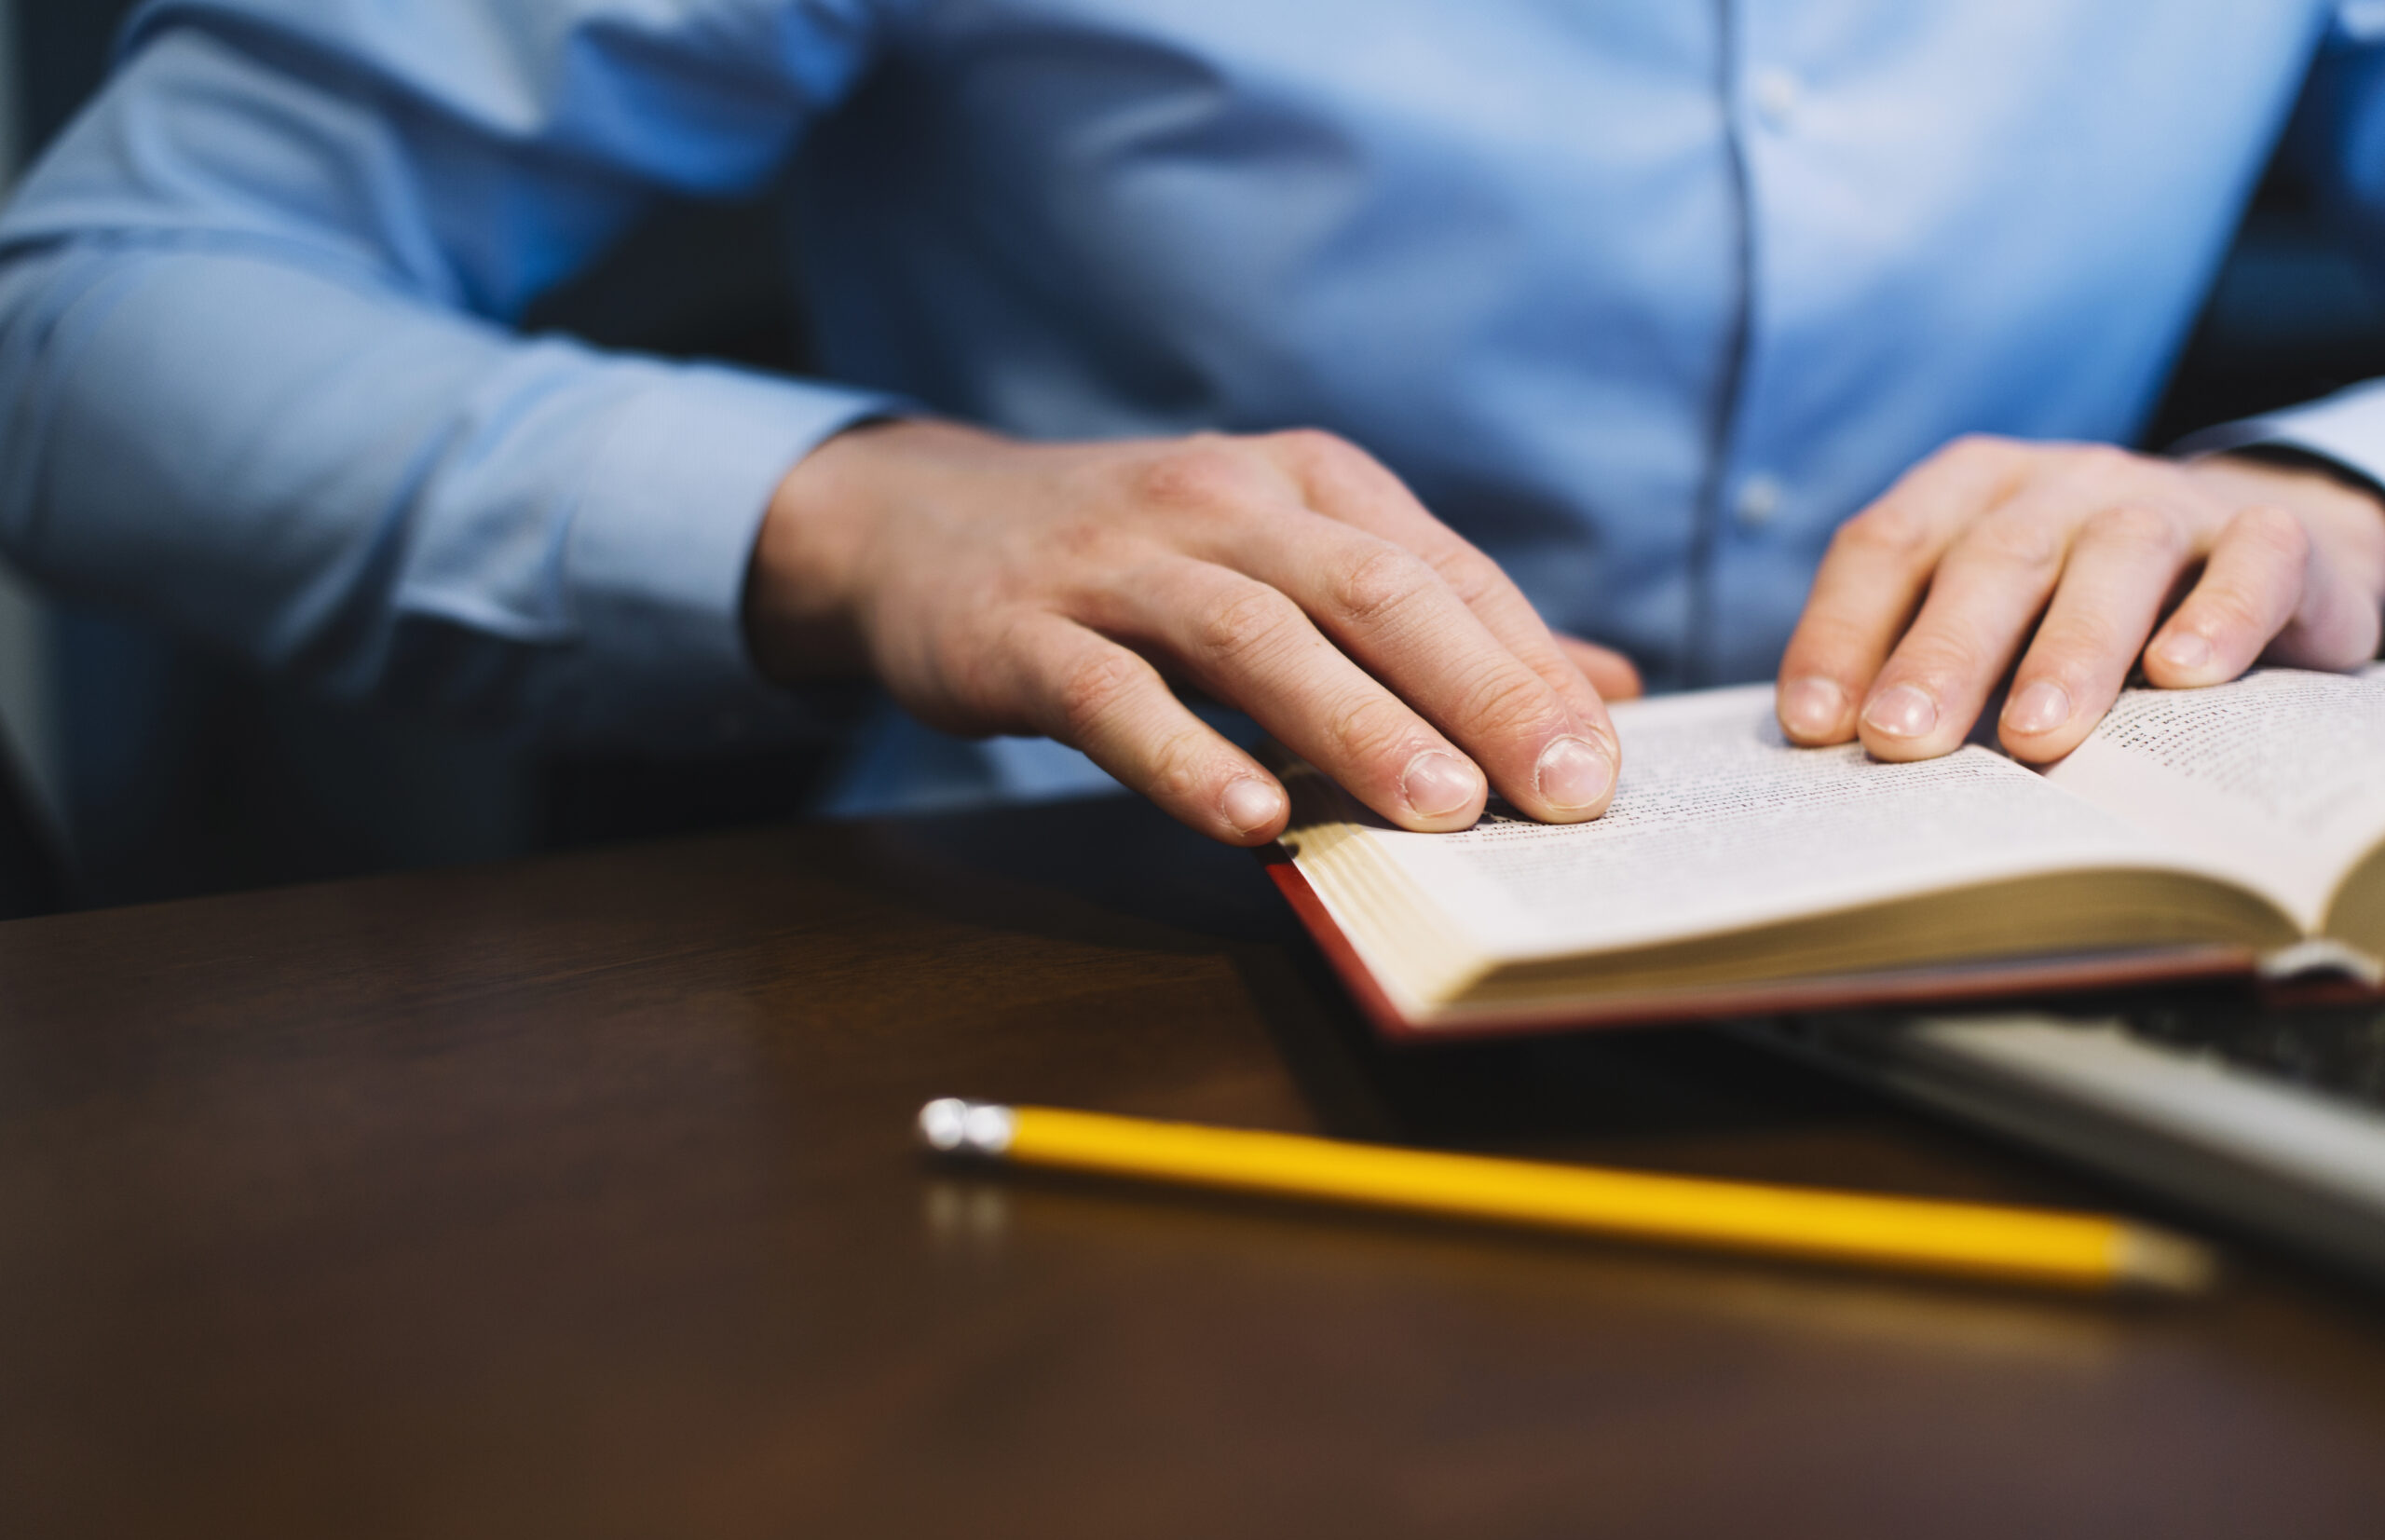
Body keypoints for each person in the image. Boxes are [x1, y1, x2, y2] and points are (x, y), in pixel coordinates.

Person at [3, 1, 2383, 853]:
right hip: (1115, 954)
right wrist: (846, 512)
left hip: (2041, 940)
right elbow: (96, 311)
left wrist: (2326, 488)